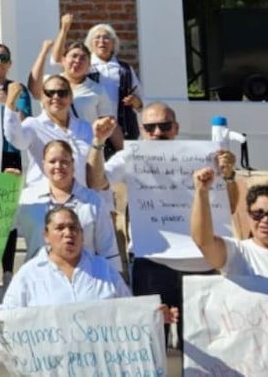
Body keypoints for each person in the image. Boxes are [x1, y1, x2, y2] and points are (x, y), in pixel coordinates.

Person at [87, 102, 238, 341]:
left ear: (176, 127)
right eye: (150, 127)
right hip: (152, 264)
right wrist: (98, 142)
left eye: (165, 126)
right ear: (142, 130)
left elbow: (230, 207)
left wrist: (229, 176)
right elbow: (96, 182)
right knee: (151, 341)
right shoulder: (130, 156)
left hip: (201, 264)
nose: (158, 132)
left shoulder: (206, 156)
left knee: (203, 343)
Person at [0, 208, 178, 323]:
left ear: (82, 234)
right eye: (60, 228)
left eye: (74, 228)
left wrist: (155, 315)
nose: (68, 233)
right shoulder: (29, 274)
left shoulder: (103, 269)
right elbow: (10, 313)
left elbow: (128, 309)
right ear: (46, 235)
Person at [17, 140, 119, 274]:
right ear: (43, 165)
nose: (58, 166)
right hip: (38, 278)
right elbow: (2, 226)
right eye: (52, 161)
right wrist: (9, 188)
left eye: (64, 161)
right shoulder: (26, 198)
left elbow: (108, 249)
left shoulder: (93, 201)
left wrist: (116, 278)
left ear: (73, 164)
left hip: (85, 278)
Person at [0, 43, 32, 291]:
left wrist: (7, 103)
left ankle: (8, 271)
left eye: (3, 58)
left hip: (9, 155)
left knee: (6, 214)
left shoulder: (17, 89)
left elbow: (25, 120)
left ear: (10, 63)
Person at [3, 75, 107, 188]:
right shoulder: (33, 125)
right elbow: (15, 139)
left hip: (79, 195)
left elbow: (95, 168)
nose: (56, 97)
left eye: (62, 93)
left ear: (71, 97)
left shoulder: (86, 128)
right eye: (50, 93)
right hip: (43, 195)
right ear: (42, 98)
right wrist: (11, 103)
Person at [53, 14, 143, 141]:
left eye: (106, 38)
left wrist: (135, 101)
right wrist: (64, 29)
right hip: (93, 130)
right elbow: (57, 60)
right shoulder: (84, 65)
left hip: (123, 129)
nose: (102, 41)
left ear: (113, 43)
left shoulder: (125, 69)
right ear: (90, 43)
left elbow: (140, 101)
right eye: (97, 37)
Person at [30, 36, 122, 152]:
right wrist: (44, 52)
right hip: (52, 148)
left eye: (83, 58)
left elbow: (110, 122)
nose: (77, 61)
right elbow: (34, 88)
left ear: (89, 65)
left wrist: (125, 153)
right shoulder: (49, 83)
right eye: (74, 56)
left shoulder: (98, 90)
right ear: (63, 60)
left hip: (84, 148)